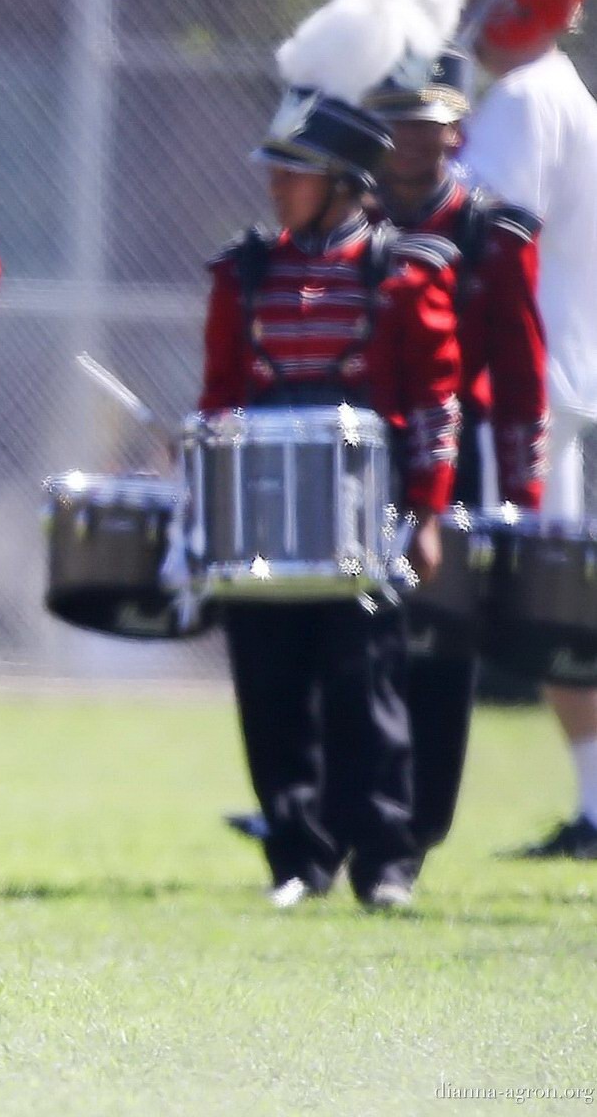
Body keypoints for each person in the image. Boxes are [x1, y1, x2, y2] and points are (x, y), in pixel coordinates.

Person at [203, 83, 460, 910]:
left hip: (367, 518)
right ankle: (297, 859)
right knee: (270, 686)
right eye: (275, 170)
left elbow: (432, 404)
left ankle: (384, 861)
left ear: (345, 182)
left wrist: (425, 514)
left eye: (297, 172)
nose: (277, 185)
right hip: (262, 519)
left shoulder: (401, 276)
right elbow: (219, 398)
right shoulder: (243, 273)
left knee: (365, 688)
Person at [365, 53, 547, 869]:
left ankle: (417, 825)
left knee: (439, 648)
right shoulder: (349, 220)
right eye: (395, 121)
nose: (409, 140)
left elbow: (518, 374)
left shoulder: (489, 233)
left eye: (425, 124)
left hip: (449, 459)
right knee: (347, 645)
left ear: (454, 132)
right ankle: (342, 810)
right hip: (353, 458)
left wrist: (522, 499)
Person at [458, 0, 597, 860]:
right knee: (560, 603)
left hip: (525, 383)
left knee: (527, 600)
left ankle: (373, 796)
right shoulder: (564, 94)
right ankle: (594, 807)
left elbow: (480, 236)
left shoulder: (523, 102)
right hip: (561, 374)